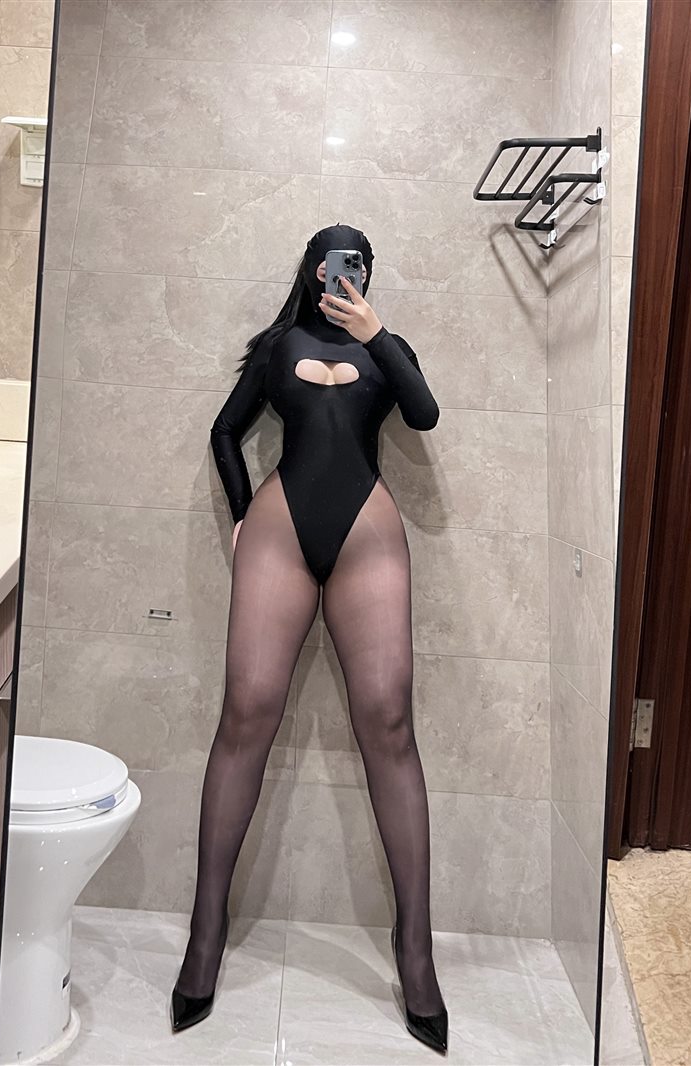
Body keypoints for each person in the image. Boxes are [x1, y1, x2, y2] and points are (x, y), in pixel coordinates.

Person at [170, 224, 447, 1054]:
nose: (347, 273)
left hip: (369, 533)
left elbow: (425, 414)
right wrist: (241, 514)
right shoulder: (278, 347)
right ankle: (206, 936)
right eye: (335, 262)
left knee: (388, 720)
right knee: (247, 712)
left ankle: (416, 953)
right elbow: (225, 432)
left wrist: (377, 333)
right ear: (312, 269)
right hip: (280, 530)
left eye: (360, 263)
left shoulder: (385, 347)